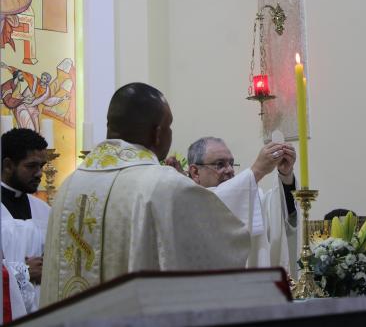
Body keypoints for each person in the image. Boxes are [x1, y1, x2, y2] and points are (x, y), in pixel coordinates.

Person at [40, 83, 250, 306]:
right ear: (157, 132)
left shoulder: (68, 186)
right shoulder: (163, 186)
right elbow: (228, 246)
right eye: (169, 126)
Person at [180, 137, 298, 275]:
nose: (229, 170)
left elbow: (278, 214)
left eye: (231, 163)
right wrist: (258, 169)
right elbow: (216, 201)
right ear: (195, 172)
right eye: (220, 164)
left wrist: (286, 176)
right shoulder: (190, 202)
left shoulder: (253, 198)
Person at [1, 128, 50, 315]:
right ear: (8, 165)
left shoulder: (44, 210)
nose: (39, 173)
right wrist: (24, 272)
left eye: (42, 166)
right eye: (31, 166)